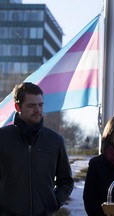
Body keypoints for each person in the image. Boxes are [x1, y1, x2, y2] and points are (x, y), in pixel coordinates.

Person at [0, 82, 74, 215]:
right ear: (18, 107)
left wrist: (54, 201)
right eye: (31, 105)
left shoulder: (55, 141)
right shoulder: (2, 138)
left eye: (40, 105)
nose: (37, 110)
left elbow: (66, 181)